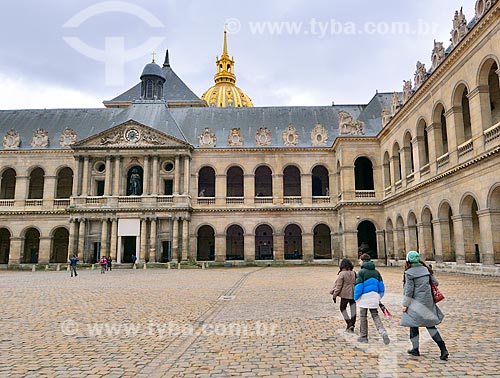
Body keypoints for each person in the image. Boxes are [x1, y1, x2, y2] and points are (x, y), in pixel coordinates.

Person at [401, 251, 448, 360]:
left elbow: (409, 290)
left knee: (413, 324)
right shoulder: (426, 270)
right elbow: (435, 283)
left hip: (415, 302)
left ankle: (415, 349)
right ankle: (443, 348)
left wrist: (405, 304)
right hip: (427, 301)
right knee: (430, 326)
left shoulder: (409, 273)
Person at [354, 253, 390, 344]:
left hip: (364, 297)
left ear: (362, 261)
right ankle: (382, 332)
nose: (359, 262)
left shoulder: (361, 272)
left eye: (360, 260)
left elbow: (359, 286)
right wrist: (379, 296)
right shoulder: (376, 272)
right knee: (375, 315)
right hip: (374, 296)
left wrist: (356, 297)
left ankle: (363, 336)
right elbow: (381, 286)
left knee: (363, 316)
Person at [329, 258, 357, 332]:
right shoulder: (354, 272)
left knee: (342, 308)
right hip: (353, 293)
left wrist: (334, 295)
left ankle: (349, 323)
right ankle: (352, 325)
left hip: (345, 294)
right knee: (353, 310)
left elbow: (338, 286)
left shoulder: (342, 273)